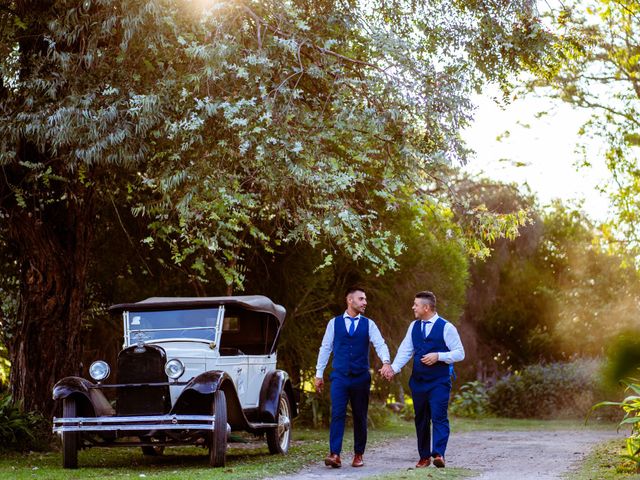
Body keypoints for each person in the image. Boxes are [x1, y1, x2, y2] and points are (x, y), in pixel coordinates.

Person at [380, 291, 464, 469]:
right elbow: (405, 350)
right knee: (421, 419)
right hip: (418, 381)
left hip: (439, 381)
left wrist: (439, 356)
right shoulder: (414, 326)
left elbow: (460, 353)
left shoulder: (447, 327)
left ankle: (439, 454)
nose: (413, 307)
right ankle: (424, 457)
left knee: (439, 416)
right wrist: (393, 369)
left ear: (426, 307)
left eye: (415, 304)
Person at [314, 286, 391, 468]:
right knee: (337, 414)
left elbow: (380, 344)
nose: (365, 302)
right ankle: (335, 454)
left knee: (360, 416)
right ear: (350, 300)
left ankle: (358, 454)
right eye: (361, 299)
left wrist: (386, 362)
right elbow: (325, 348)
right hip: (339, 377)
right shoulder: (334, 323)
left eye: (365, 299)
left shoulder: (369, 324)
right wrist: (319, 374)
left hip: (361, 377)